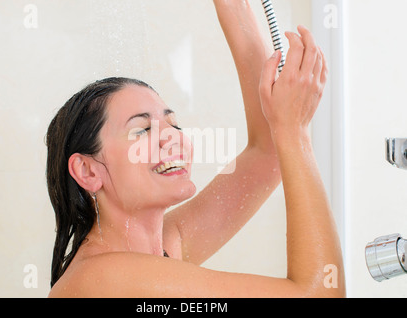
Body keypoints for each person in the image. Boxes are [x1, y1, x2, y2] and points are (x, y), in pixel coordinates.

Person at [46, 0, 345, 297]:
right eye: (143, 129)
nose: (171, 137)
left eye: (173, 124)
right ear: (87, 170)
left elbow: (269, 151)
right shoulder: (106, 277)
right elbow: (322, 294)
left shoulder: (163, 246)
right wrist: (295, 130)